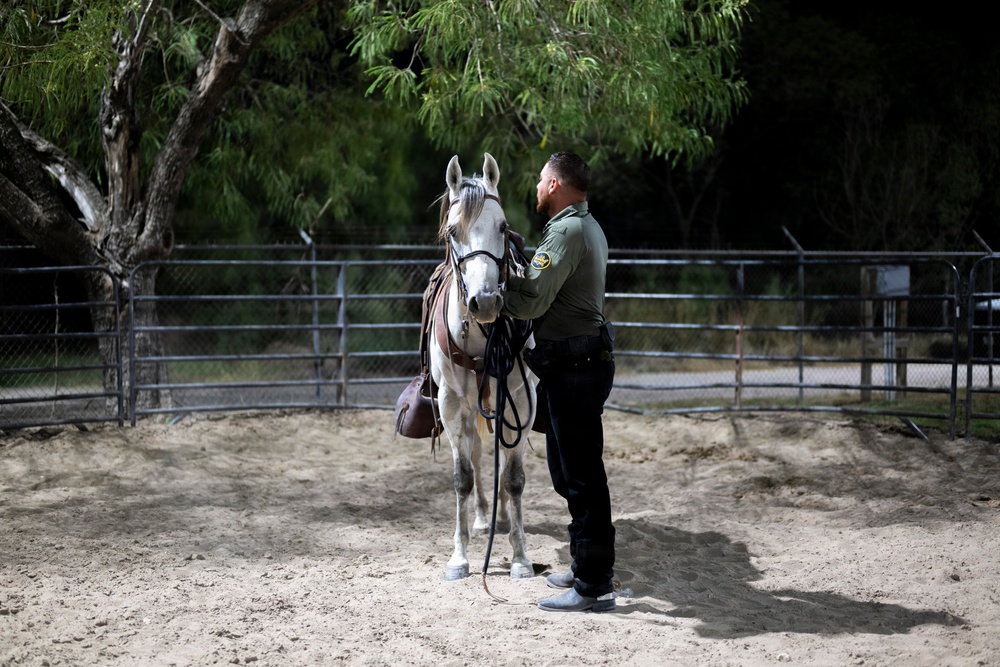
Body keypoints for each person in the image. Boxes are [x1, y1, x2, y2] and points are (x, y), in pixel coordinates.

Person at [502, 152, 617, 613]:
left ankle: (593, 585)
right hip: (572, 367)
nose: (535, 187)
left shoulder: (567, 231)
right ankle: (584, 563)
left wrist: (488, 296)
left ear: (553, 184)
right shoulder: (584, 226)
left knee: (583, 479)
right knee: (567, 474)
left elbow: (531, 300)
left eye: (539, 180)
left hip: (575, 369)